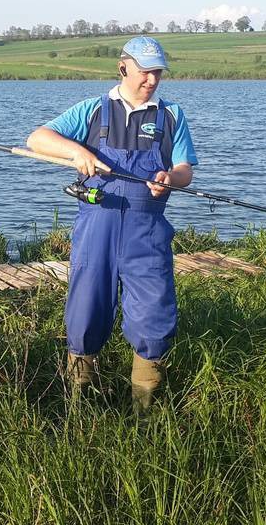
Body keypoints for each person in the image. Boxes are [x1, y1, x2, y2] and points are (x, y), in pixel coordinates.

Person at [25, 36, 197, 408]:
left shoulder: (171, 116)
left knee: (154, 313)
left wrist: (170, 178)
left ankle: (145, 410)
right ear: (124, 67)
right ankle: (81, 402)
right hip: (95, 228)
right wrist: (77, 152)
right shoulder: (92, 110)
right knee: (86, 311)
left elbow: (185, 170)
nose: (151, 80)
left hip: (147, 232)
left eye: (158, 74)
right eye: (145, 72)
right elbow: (38, 138)